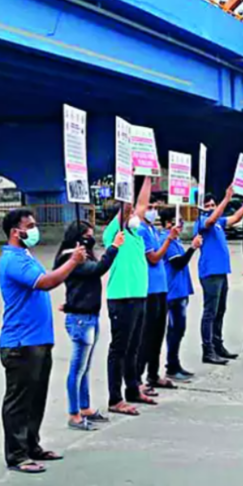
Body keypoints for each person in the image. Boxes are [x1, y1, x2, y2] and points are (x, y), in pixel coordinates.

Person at [0, 209, 85, 475]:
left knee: (36, 398)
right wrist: (72, 263)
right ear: (16, 231)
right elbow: (45, 282)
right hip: (21, 341)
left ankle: (31, 445)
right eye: (30, 226)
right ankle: (17, 454)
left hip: (38, 339)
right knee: (19, 400)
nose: (35, 230)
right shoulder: (12, 260)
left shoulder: (25, 256)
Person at [55, 220, 123, 432]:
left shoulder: (81, 255)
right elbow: (97, 269)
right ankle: (74, 414)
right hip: (80, 318)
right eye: (88, 236)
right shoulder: (71, 257)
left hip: (88, 314)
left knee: (84, 368)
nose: (91, 239)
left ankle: (84, 408)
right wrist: (114, 247)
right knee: (77, 369)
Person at [105, 177, 155, 416]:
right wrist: (128, 177)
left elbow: (141, 206)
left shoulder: (136, 234)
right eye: (131, 211)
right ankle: (115, 398)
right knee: (119, 349)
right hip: (121, 297)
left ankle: (132, 388)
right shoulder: (116, 233)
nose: (136, 213)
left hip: (138, 296)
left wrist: (147, 178)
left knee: (134, 346)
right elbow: (127, 208)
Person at [196, 187, 243, 365]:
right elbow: (211, 220)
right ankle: (208, 350)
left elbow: (235, 218)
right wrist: (226, 198)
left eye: (213, 204)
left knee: (220, 310)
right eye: (208, 205)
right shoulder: (202, 221)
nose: (211, 207)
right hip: (210, 272)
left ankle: (217, 344)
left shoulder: (219, 222)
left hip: (221, 272)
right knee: (210, 312)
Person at [139, 201, 181, 394]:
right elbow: (154, 258)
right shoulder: (142, 231)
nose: (153, 211)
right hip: (149, 289)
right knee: (146, 336)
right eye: (149, 207)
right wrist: (169, 240)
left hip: (161, 288)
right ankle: (139, 378)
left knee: (157, 334)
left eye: (155, 207)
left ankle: (153, 374)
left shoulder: (153, 230)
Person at [162, 208, 203, 381]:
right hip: (173, 292)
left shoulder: (176, 240)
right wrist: (192, 248)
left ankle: (175, 363)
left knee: (179, 329)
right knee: (175, 330)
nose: (180, 225)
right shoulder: (167, 240)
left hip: (180, 289)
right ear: (168, 223)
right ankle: (171, 366)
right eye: (177, 221)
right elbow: (178, 263)